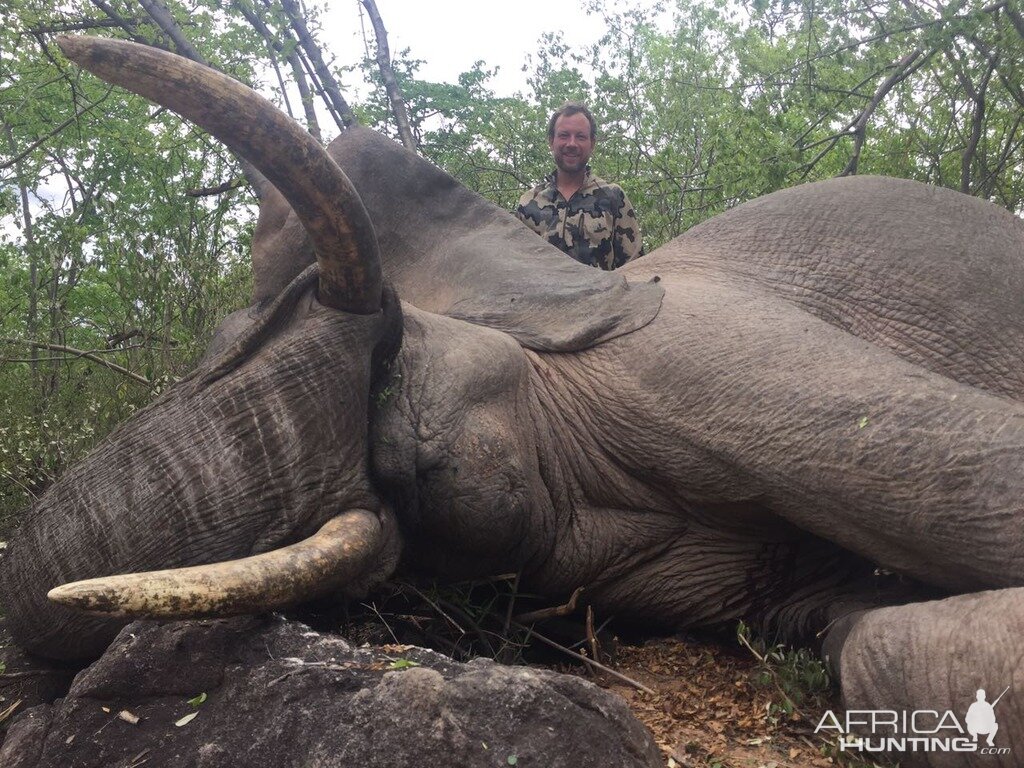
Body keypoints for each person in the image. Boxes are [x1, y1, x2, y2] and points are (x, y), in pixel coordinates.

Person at [516, 102, 643, 270]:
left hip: (602, 296)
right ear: (551, 141)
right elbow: (515, 269)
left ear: (592, 144)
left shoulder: (613, 197)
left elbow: (635, 267)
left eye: (580, 137)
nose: (572, 143)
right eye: (564, 135)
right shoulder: (528, 203)